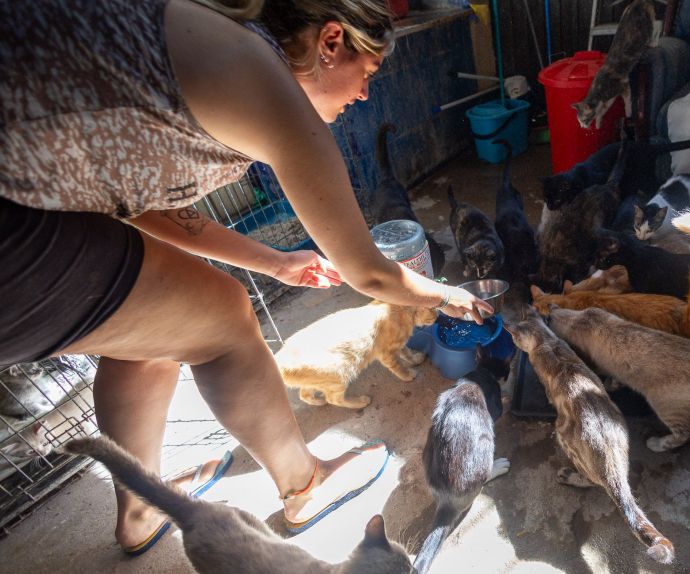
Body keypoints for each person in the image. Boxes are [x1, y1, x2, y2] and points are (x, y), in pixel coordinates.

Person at [0, 0, 493, 555]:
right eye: (368, 73)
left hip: (36, 205)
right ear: (330, 42)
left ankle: (141, 508)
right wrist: (448, 294)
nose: (363, 94)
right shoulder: (259, 75)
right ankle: (305, 485)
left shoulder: (226, 50)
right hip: (17, 223)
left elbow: (142, 206)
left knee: (151, 333)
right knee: (224, 318)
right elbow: (370, 274)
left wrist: (276, 261)